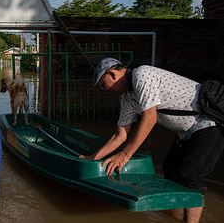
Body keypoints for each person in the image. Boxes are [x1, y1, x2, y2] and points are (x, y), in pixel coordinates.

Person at [80, 57, 224, 223]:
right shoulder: (127, 99)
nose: (106, 90)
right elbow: (120, 135)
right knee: (170, 170)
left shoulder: (142, 75)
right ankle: (177, 216)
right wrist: (93, 158)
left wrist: (125, 154)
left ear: (111, 74)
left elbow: (150, 119)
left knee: (190, 175)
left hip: (208, 124)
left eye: (104, 86)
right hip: (186, 133)